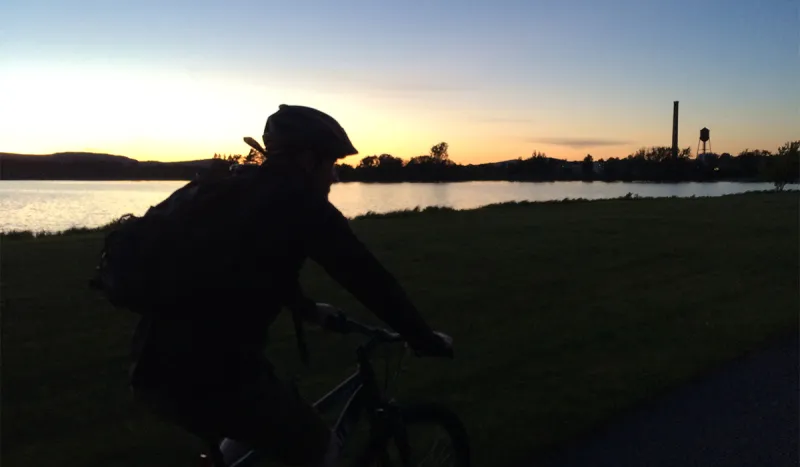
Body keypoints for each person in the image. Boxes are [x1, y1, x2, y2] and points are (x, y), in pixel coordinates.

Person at [129, 104, 453, 466]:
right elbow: (367, 277)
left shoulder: (236, 192)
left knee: (255, 436)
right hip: (215, 374)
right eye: (331, 165)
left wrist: (309, 310)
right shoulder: (300, 203)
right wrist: (422, 338)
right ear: (308, 159)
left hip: (152, 363)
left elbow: (245, 267)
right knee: (318, 448)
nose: (333, 178)